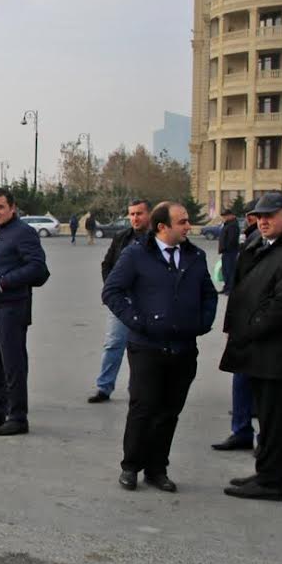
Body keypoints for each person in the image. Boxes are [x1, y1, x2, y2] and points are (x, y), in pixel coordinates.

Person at [101, 202, 217, 493]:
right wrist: (136, 321)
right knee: (143, 408)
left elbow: (208, 294)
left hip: (183, 348)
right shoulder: (136, 255)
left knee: (169, 411)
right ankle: (131, 466)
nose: (188, 226)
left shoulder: (195, 256)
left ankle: (157, 468)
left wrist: (202, 323)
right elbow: (111, 291)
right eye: (182, 222)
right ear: (162, 227)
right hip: (147, 347)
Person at [218, 192, 282, 501]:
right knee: (264, 413)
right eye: (259, 216)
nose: (262, 221)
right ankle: (265, 472)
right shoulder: (267, 245)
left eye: (269, 216)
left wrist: (250, 328)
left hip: (277, 349)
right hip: (260, 348)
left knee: (275, 418)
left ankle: (272, 480)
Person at [0, 188, 51, 435]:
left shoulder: (23, 233)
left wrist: (4, 282)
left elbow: (39, 269)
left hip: (10, 308)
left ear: (12, 208)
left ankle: (17, 417)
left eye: (0, 207)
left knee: (12, 364)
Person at [88, 199, 151, 403]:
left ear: (149, 214)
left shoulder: (158, 239)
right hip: (121, 302)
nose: (135, 218)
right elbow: (107, 264)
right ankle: (104, 387)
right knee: (114, 344)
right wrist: (112, 289)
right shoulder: (122, 237)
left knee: (144, 348)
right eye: (131, 214)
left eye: (139, 213)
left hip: (148, 303)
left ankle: (140, 389)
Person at [217, 207, 241, 296]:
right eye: (224, 216)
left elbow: (232, 239)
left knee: (230, 270)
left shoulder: (233, 225)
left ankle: (230, 289)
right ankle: (226, 287)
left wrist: (226, 247)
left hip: (230, 252)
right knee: (225, 270)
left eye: (226, 216)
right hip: (226, 252)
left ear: (231, 216)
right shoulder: (227, 224)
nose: (224, 218)